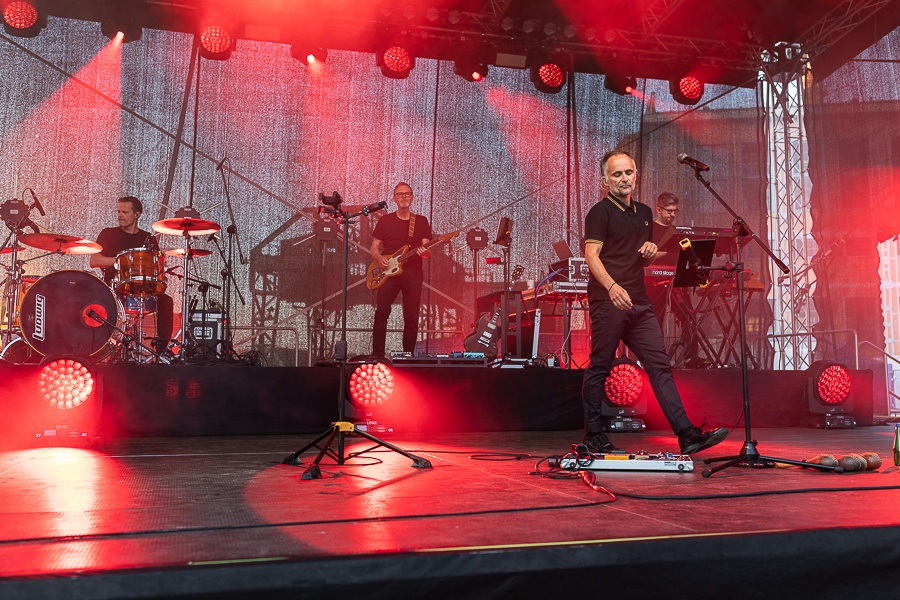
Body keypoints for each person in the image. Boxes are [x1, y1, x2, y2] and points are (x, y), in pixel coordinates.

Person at [581, 150, 728, 455]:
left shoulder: (645, 213)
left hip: (639, 302)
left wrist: (648, 252)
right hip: (608, 300)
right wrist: (612, 287)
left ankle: (687, 435)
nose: (624, 178)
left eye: (628, 172)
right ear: (605, 180)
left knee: (660, 366)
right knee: (601, 366)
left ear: (636, 175)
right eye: (617, 174)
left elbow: (637, 258)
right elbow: (591, 256)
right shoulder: (599, 212)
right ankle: (593, 436)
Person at [90, 196, 174, 352]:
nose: (120, 215)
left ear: (137, 214)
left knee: (166, 301)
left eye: (125, 212)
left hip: (143, 290)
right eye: (118, 212)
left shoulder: (148, 238)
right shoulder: (108, 234)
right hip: (114, 291)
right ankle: (99, 349)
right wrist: (120, 261)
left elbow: (157, 262)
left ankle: (162, 351)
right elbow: (94, 260)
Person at [370, 182, 433, 357]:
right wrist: (380, 258)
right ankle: (377, 354)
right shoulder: (385, 220)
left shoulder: (421, 221)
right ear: (394, 199)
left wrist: (424, 252)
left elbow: (427, 250)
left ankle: (407, 355)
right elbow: (374, 248)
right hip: (388, 272)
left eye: (407, 194)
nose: (404, 197)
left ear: (412, 197)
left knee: (411, 317)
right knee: (381, 312)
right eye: (400, 194)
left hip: (413, 273)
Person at [648, 192, 701, 366]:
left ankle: (691, 357)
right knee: (655, 320)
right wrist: (668, 251)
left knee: (688, 317)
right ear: (658, 210)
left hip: (677, 280)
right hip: (654, 282)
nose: (672, 214)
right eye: (669, 211)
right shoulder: (649, 230)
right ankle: (656, 359)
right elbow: (646, 257)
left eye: (675, 211)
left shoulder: (676, 232)